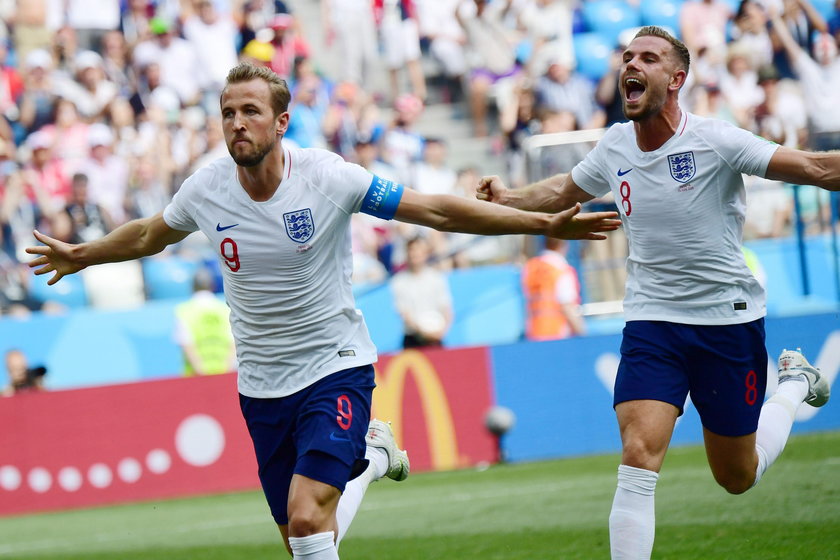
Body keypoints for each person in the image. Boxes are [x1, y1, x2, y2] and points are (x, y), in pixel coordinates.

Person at [26, 62, 620, 560]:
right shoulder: (206, 189)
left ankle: (365, 453)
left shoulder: (327, 177)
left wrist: (540, 222)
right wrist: (84, 255)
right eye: (228, 111)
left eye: (250, 111)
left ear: (282, 122)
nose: (237, 122)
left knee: (309, 517)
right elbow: (149, 235)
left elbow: (434, 211)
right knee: (303, 539)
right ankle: (372, 457)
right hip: (261, 386)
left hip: (334, 366)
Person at [476, 26, 836, 559]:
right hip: (653, 321)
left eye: (648, 57)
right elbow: (563, 191)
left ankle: (793, 386)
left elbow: (812, 166)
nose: (631, 65)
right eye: (627, 57)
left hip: (727, 322)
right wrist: (510, 196)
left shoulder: (716, 140)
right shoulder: (614, 144)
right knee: (639, 453)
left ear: (676, 79)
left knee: (736, 477)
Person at [390, 236, 453, 348]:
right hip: (412, 339)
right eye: (411, 250)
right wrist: (424, 333)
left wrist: (441, 332)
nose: (414, 254)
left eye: (418, 250)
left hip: (436, 337)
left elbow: (446, 309)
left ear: (426, 253)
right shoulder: (399, 281)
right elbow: (404, 313)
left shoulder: (436, 277)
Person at [174, 267, 237, 376]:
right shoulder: (224, 309)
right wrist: (226, 370)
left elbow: (187, 345)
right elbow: (232, 343)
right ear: (212, 286)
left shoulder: (184, 311)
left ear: (192, 286)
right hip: (223, 373)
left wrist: (202, 373)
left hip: (195, 377)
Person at [521, 237, 584, 341]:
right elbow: (566, 306)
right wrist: (582, 333)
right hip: (558, 333)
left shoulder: (531, 267)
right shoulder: (560, 269)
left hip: (534, 333)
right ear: (563, 245)